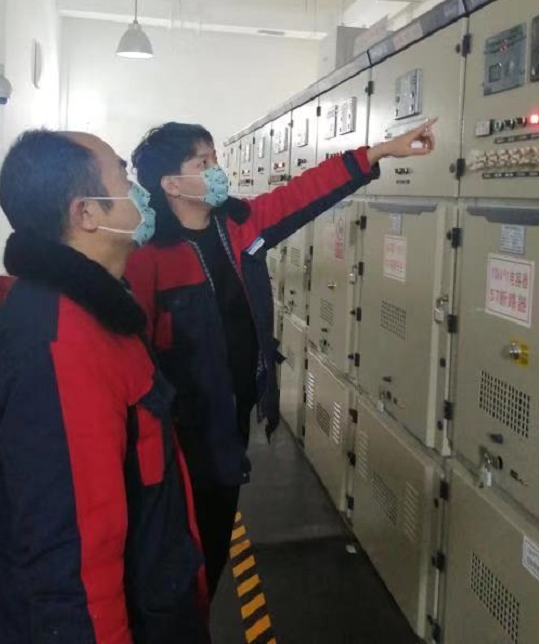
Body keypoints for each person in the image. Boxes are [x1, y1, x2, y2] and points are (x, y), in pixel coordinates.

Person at [125, 118, 437, 597]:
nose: (217, 171)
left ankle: (199, 610)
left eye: (215, 159)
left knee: (214, 543)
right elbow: (132, 355)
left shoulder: (237, 225)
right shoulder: (148, 256)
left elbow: (303, 193)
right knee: (179, 551)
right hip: (181, 433)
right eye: (203, 163)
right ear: (171, 184)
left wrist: (379, 152)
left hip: (232, 419)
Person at [0, 129, 210, 644]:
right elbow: (75, 566)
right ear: (86, 213)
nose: (138, 189)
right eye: (123, 176)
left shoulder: (100, 308)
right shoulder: (62, 341)